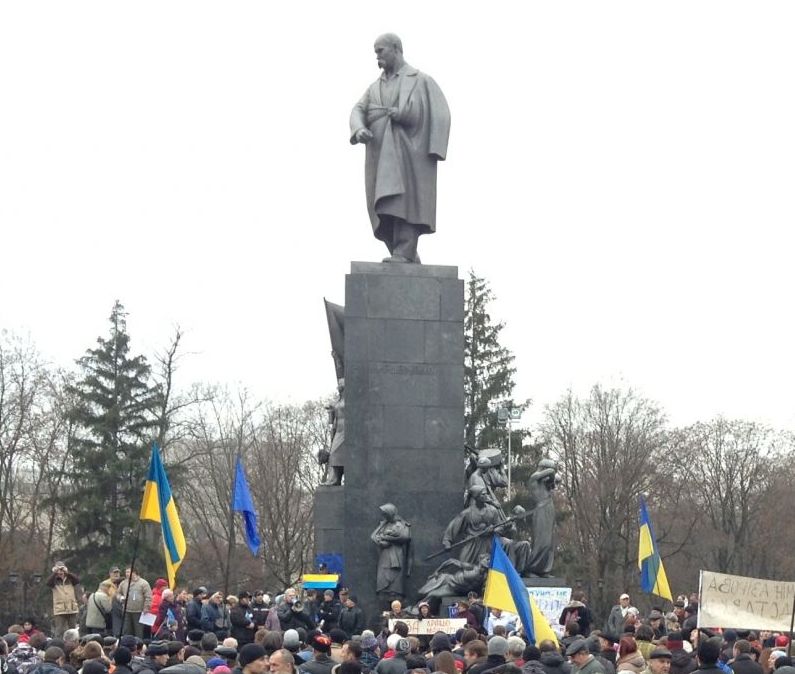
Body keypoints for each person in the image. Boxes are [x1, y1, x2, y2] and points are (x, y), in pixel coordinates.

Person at [349, 33, 451, 264]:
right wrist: (358, 129)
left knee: (404, 201)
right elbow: (358, 109)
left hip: (409, 152)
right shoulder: (375, 86)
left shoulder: (420, 79)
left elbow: (441, 113)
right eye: (376, 52)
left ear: (396, 49)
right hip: (379, 153)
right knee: (382, 207)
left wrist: (432, 144)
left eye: (380, 51)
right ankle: (404, 252)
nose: (377, 57)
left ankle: (404, 251)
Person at [371, 504, 412, 603]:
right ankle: (384, 595)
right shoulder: (383, 525)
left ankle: (395, 597)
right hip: (384, 556)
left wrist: (386, 538)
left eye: (385, 514)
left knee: (396, 581)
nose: (383, 516)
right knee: (383, 578)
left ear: (390, 513)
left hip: (397, 556)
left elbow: (405, 537)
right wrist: (381, 530)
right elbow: (374, 537)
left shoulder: (401, 524)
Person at [47, 562, 81, 638]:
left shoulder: (70, 579)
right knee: (59, 630)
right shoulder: (54, 580)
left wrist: (67, 573)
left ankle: (74, 643)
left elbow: (77, 580)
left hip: (72, 608)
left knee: (73, 630)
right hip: (60, 609)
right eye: (59, 570)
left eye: (62, 569)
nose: (60, 572)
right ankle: (58, 643)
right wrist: (55, 573)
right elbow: (48, 583)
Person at [117, 569, 152, 638]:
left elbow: (148, 596)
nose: (127, 574)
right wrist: (120, 598)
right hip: (126, 611)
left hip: (139, 611)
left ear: (134, 572)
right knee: (127, 631)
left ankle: (139, 646)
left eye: (128, 572)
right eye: (126, 572)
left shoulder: (143, 583)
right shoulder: (123, 583)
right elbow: (118, 593)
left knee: (139, 632)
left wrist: (146, 607)